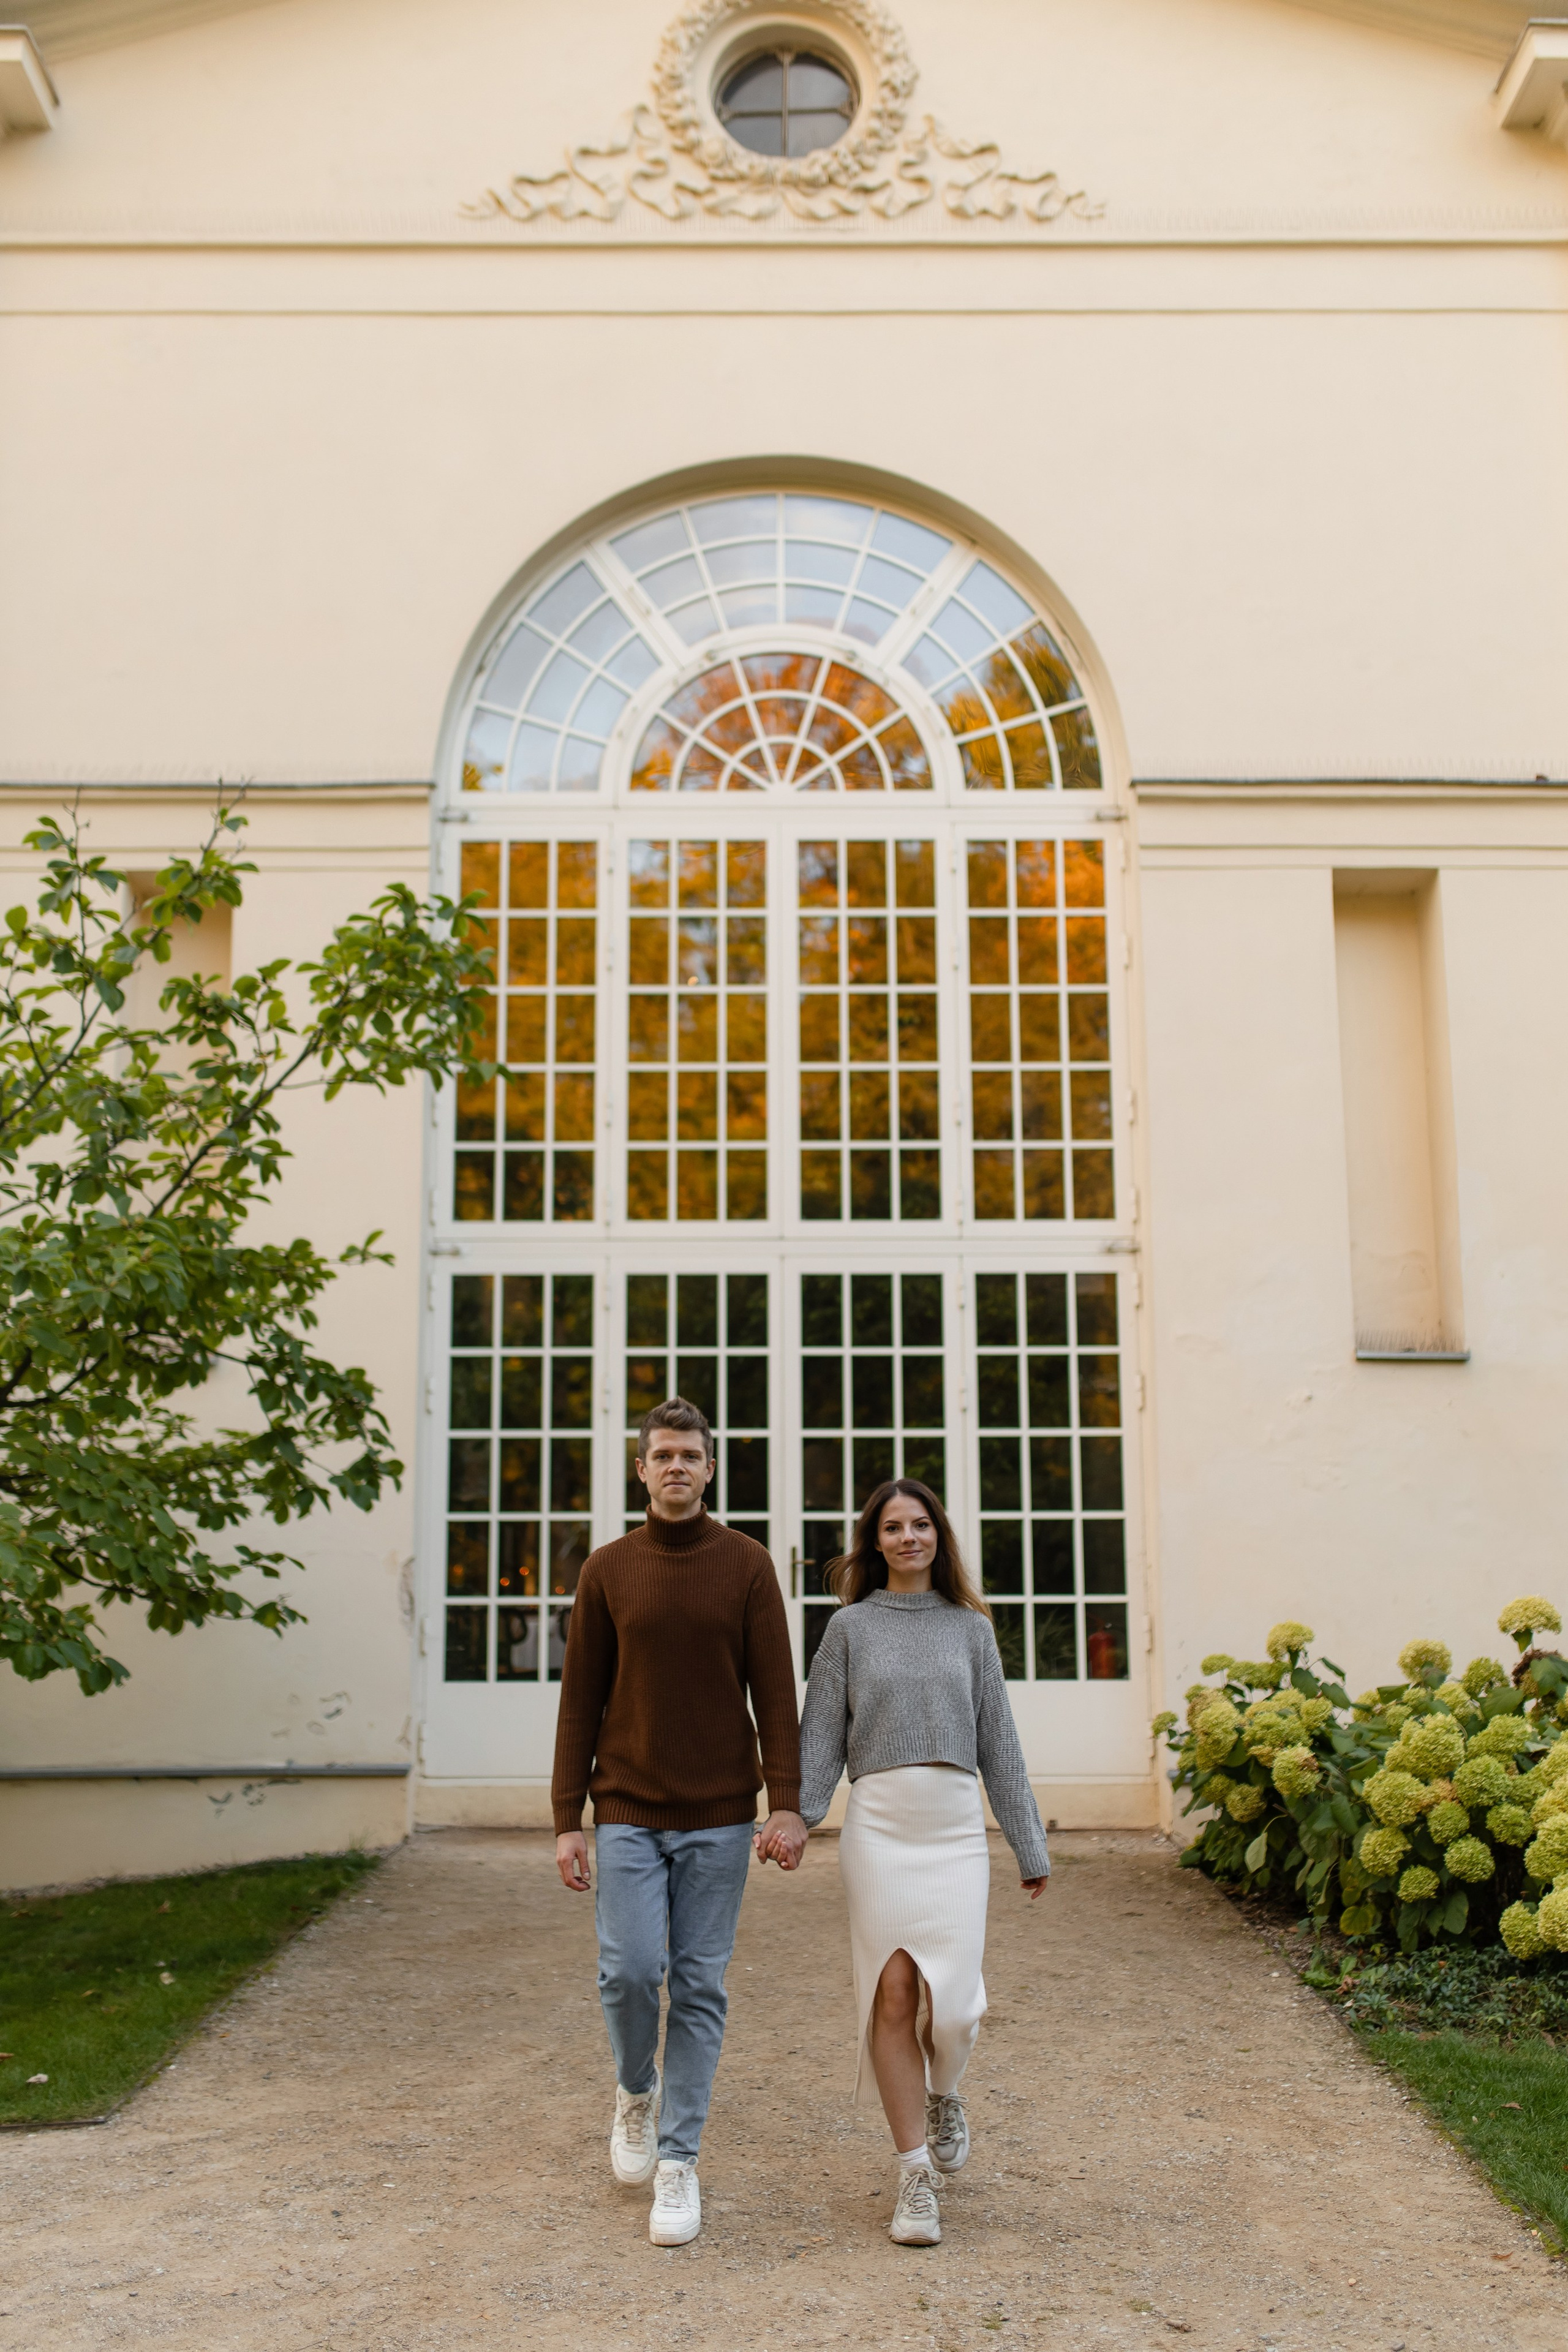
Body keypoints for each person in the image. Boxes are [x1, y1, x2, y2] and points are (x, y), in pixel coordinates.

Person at [552, 1396, 807, 2247]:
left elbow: (776, 1693)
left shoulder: (745, 1565)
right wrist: (566, 1818)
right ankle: (635, 2092)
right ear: (641, 1470)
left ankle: (678, 2161)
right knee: (629, 1971)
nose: (675, 1468)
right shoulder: (607, 1571)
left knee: (698, 1984)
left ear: (710, 1467)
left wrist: (786, 1803)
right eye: (660, 1456)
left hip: (721, 1820)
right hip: (626, 1808)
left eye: (689, 1456)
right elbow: (578, 1702)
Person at [783, 1478, 1049, 2248]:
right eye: (892, 1527)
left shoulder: (971, 1630)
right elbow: (819, 1738)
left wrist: (1026, 1841)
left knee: (957, 2007)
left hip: (955, 1832)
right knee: (893, 1995)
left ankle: (945, 2092)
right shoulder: (849, 1630)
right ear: (875, 1543)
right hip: (880, 1830)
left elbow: (999, 1740)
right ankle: (914, 2178)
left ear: (939, 1536)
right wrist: (797, 1821)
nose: (908, 1538)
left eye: (920, 1524)